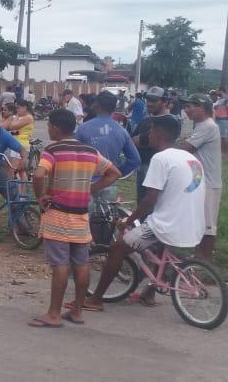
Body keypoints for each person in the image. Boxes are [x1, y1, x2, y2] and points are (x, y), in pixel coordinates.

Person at [82, 116, 205, 312]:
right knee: (160, 252)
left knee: (117, 248)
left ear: (159, 133)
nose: (149, 134)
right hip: (192, 223)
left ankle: (96, 299)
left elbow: (149, 199)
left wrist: (128, 221)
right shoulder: (191, 158)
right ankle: (149, 293)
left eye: (151, 130)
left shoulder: (161, 158)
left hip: (166, 224)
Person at [28, 109, 120, 328]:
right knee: (81, 262)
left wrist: (40, 196)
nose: (48, 128)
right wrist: (91, 188)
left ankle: (54, 314)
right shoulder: (90, 151)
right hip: (81, 215)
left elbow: (39, 174)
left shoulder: (53, 150)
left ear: (57, 128)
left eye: (50, 125)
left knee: (60, 264)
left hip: (58, 214)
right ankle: (77, 310)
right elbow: (114, 172)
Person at [74, 91, 141, 208]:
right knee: (107, 221)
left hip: (86, 183)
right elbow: (135, 160)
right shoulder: (121, 131)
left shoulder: (83, 128)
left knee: (83, 221)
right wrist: (116, 172)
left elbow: (74, 157)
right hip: (109, 183)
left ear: (96, 105)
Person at [181, 93, 222, 261]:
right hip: (200, 179)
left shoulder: (207, 126)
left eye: (190, 106)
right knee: (200, 220)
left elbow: (186, 147)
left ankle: (204, 261)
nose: (186, 109)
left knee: (208, 225)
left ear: (202, 108)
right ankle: (198, 257)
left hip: (209, 183)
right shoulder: (201, 125)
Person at [131, 87, 177, 204]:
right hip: (143, 166)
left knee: (152, 203)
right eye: (148, 100)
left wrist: (139, 140)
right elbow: (132, 140)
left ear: (165, 102)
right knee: (142, 201)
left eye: (154, 100)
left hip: (156, 166)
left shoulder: (169, 121)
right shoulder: (147, 120)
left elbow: (138, 141)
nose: (149, 103)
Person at [212, 88, 228, 154]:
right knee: (220, 136)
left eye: (219, 91)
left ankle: (225, 151)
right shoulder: (219, 99)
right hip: (217, 119)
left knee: (224, 136)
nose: (218, 93)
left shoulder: (226, 100)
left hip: (223, 119)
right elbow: (215, 107)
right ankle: (222, 150)